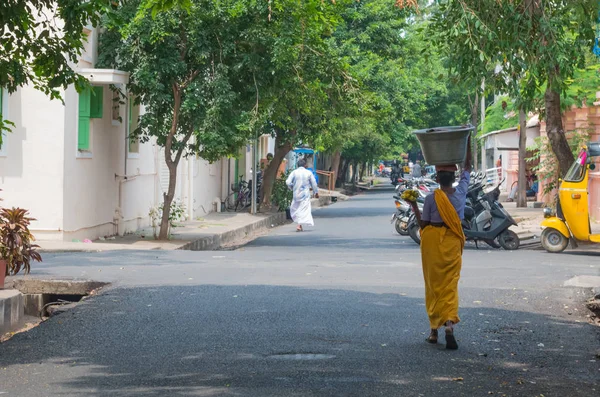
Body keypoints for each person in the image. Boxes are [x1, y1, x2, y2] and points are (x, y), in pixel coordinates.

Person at [409, 136, 472, 350]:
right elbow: (468, 168)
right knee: (450, 285)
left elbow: (423, 225)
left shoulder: (430, 199)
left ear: (437, 177)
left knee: (433, 285)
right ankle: (449, 325)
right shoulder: (461, 193)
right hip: (453, 241)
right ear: (453, 177)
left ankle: (434, 332)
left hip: (433, 243)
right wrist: (467, 139)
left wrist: (413, 206)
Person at [286, 159, 319, 232]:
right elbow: (314, 184)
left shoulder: (294, 172)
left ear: (297, 165)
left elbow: (288, 182)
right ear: (305, 166)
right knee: (303, 209)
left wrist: (292, 187)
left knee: (296, 209)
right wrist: (316, 192)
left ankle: (299, 225)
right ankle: (298, 225)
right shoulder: (308, 173)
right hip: (305, 195)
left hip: (296, 194)